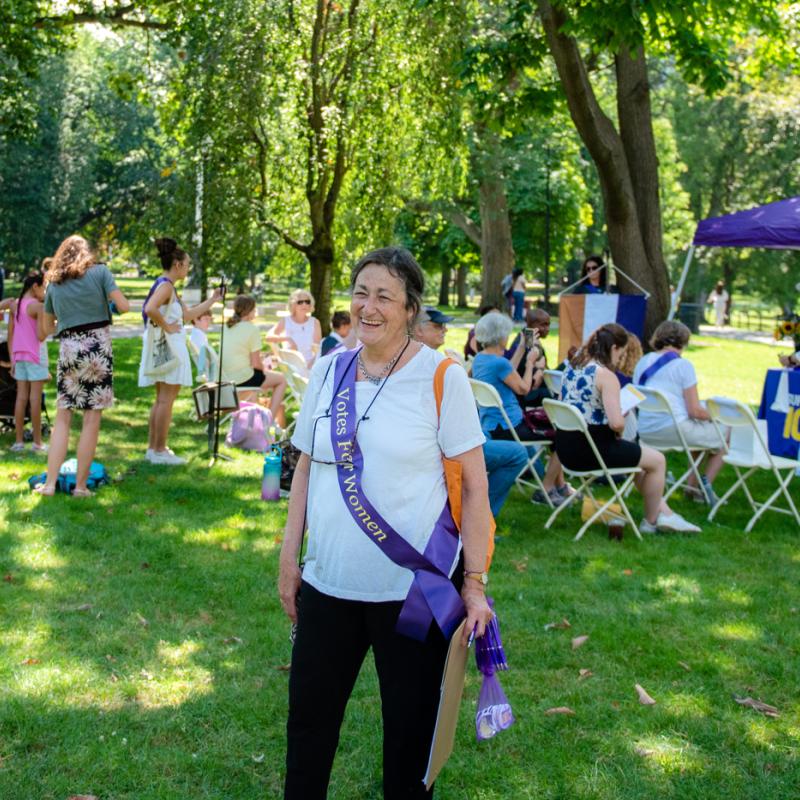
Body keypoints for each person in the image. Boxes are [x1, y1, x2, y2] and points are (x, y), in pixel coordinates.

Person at [278, 246, 492, 799]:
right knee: (308, 729)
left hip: (413, 595)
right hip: (327, 583)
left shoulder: (443, 378)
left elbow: (472, 489)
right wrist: (288, 558)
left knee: (409, 742)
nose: (369, 307)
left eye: (385, 297)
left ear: (410, 309)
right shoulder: (329, 370)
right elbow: (304, 467)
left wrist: (473, 584)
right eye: (361, 293)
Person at [558, 323, 700, 533]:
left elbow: (564, 406)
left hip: (566, 449)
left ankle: (666, 513)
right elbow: (616, 423)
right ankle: (651, 522)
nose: (619, 359)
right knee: (657, 461)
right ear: (614, 348)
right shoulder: (606, 376)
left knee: (640, 459)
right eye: (621, 353)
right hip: (594, 451)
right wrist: (621, 424)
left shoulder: (572, 369)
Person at [34, 235, 130, 497]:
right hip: (97, 347)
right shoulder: (100, 273)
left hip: (68, 347)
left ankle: (50, 484)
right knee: (91, 418)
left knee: (64, 416)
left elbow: (45, 328)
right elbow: (124, 306)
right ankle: (80, 487)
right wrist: (107, 305)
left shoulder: (53, 284)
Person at [412, 307, 527, 520]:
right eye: (438, 326)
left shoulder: (433, 361)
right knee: (518, 454)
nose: (445, 330)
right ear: (418, 330)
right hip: (443, 447)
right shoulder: (427, 365)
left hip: (456, 438)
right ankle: (479, 518)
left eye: (445, 325)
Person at [472, 311, 570, 506]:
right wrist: (531, 363)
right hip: (510, 426)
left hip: (491, 423)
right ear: (500, 336)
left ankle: (559, 486)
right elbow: (524, 389)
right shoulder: (498, 363)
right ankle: (547, 489)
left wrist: (520, 349)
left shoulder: (481, 359)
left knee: (554, 431)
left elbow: (507, 368)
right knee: (564, 434)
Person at [139, 238, 221, 465]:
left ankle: (154, 449)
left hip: (165, 346)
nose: (188, 268)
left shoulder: (168, 287)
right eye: (186, 264)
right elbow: (150, 309)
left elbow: (188, 315)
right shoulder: (165, 286)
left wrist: (213, 300)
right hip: (169, 347)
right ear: (177, 264)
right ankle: (159, 451)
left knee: (161, 399)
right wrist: (167, 327)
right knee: (166, 399)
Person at [633, 320, 726, 506]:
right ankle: (703, 486)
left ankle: (691, 488)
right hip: (674, 428)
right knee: (726, 432)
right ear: (684, 342)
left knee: (699, 436)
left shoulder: (643, 361)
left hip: (645, 430)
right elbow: (694, 411)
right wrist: (716, 416)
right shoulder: (683, 366)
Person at [221, 294, 287, 422]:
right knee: (282, 379)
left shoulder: (226, 327)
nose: (255, 312)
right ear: (250, 311)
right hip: (242, 378)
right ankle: (268, 420)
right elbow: (256, 364)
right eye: (254, 309)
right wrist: (266, 368)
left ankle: (255, 413)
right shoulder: (252, 329)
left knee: (265, 378)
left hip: (226, 378)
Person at [9, 272, 49, 453]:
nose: (45, 291)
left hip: (19, 357)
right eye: (44, 287)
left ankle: (18, 441)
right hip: (35, 356)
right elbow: (41, 335)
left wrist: (12, 360)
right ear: (35, 287)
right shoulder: (37, 307)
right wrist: (52, 326)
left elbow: (10, 335)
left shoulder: (14, 305)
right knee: (35, 399)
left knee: (21, 398)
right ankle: (37, 443)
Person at [507, 307, 552, 408]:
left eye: (548, 324)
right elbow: (534, 383)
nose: (547, 329)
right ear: (530, 324)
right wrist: (540, 369)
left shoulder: (528, 336)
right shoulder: (527, 344)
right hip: (525, 394)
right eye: (543, 325)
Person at [271, 289, 322, 366]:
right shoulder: (286, 321)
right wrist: (288, 339)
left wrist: (310, 365)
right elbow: (269, 337)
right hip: (289, 364)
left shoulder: (315, 322)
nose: (304, 304)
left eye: (307, 302)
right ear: (293, 304)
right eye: (300, 302)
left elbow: (317, 349)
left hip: (309, 363)